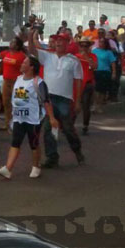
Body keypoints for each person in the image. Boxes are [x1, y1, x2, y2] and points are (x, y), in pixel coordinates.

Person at [28, 26, 85, 168]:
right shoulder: (47, 56)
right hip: (49, 98)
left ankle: (77, 150)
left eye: (61, 41)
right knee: (49, 128)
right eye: (56, 40)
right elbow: (32, 50)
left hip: (65, 99)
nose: (58, 43)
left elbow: (78, 81)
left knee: (67, 128)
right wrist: (30, 36)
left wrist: (78, 101)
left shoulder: (73, 61)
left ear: (67, 43)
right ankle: (52, 157)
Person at [0, 56, 57, 180]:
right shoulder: (18, 79)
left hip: (33, 119)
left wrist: (52, 118)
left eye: (24, 63)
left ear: (31, 67)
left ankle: (36, 166)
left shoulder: (38, 83)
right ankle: (8, 168)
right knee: (15, 142)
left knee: (33, 143)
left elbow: (46, 101)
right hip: (19, 118)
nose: (21, 64)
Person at [0, 37, 27, 132]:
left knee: (17, 104)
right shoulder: (6, 53)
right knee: (6, 103)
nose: (11, 43)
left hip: (17, 82)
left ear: (17, 46)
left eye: (13, 42)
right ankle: (7, 124)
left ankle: (17, 125)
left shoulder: (22, 56)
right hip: (6, 81)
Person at [74, 37, 98, 135]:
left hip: (88, 83)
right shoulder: (76, 56)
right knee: (74, 104)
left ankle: (85, 126)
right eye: (82, 45)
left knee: (86, 105)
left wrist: (87, 57)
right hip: (77, 83)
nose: (84, 47)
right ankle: (69, 124)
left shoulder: (93, 56)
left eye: (86, 45)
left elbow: (95, 66)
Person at [92, 37, 117, 113]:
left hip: (105, 72)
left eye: (102, 42)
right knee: (96, 90)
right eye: (100, 42)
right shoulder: (94, 51)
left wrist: (114, 72)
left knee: (102, 90)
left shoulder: (108, 52)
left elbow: (113, 63)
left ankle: (99, 106)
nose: (101, 43)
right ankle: (95, 104)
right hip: (96, 71)